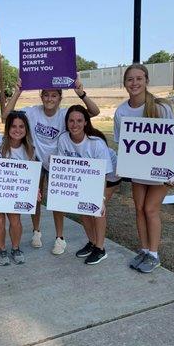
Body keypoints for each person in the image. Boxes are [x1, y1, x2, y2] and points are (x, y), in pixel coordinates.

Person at [3, 79, 100, 255]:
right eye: (46, 95)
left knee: (58, 201)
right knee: (36, 199)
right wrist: (17, 92)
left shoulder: (65, 115)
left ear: (60, 97)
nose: (49, 98)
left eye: (54, 95)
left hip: (59, 164)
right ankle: (36, 231)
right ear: (41, 96)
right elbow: (6, 116)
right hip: (37, 161)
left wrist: (81, 94)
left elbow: (95, 112)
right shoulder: (32, 112)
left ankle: (59, 238)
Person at [114, 63, 174, 273]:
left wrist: (172, 172)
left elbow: (171, 142)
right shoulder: (121, 111)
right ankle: (144, 250)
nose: (135, 83)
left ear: (147, 81)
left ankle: (154, 254)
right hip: (137, 171)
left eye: (139, 78)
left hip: (160, 171)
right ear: (124, 83)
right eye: (130, 79)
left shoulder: (161, 107)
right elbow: (121, 143)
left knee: (150, 209)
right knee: (139, 209)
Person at [0, 111, 36, 266]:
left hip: (13, 190)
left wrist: (34, 190)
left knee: (15, 220)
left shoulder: (29, 150)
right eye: (14, 126)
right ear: (8, 127)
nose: (17, 130)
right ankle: (1, 249)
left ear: (26, 129)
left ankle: (15, 248)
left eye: (21, 126)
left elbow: (30, 175)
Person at [57, 104, 114, 264]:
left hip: (107, 176)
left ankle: (101, 249)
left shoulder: (96, 143)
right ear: (67, 123)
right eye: (71, 121)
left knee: (97, 210)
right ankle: (93, 242)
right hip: (83, 178)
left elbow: (104, 173)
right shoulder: (63, 139)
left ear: (86, 122)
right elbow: (64, 167)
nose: (75, 125)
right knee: (82, 209)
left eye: (79, 121)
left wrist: (101, 198)